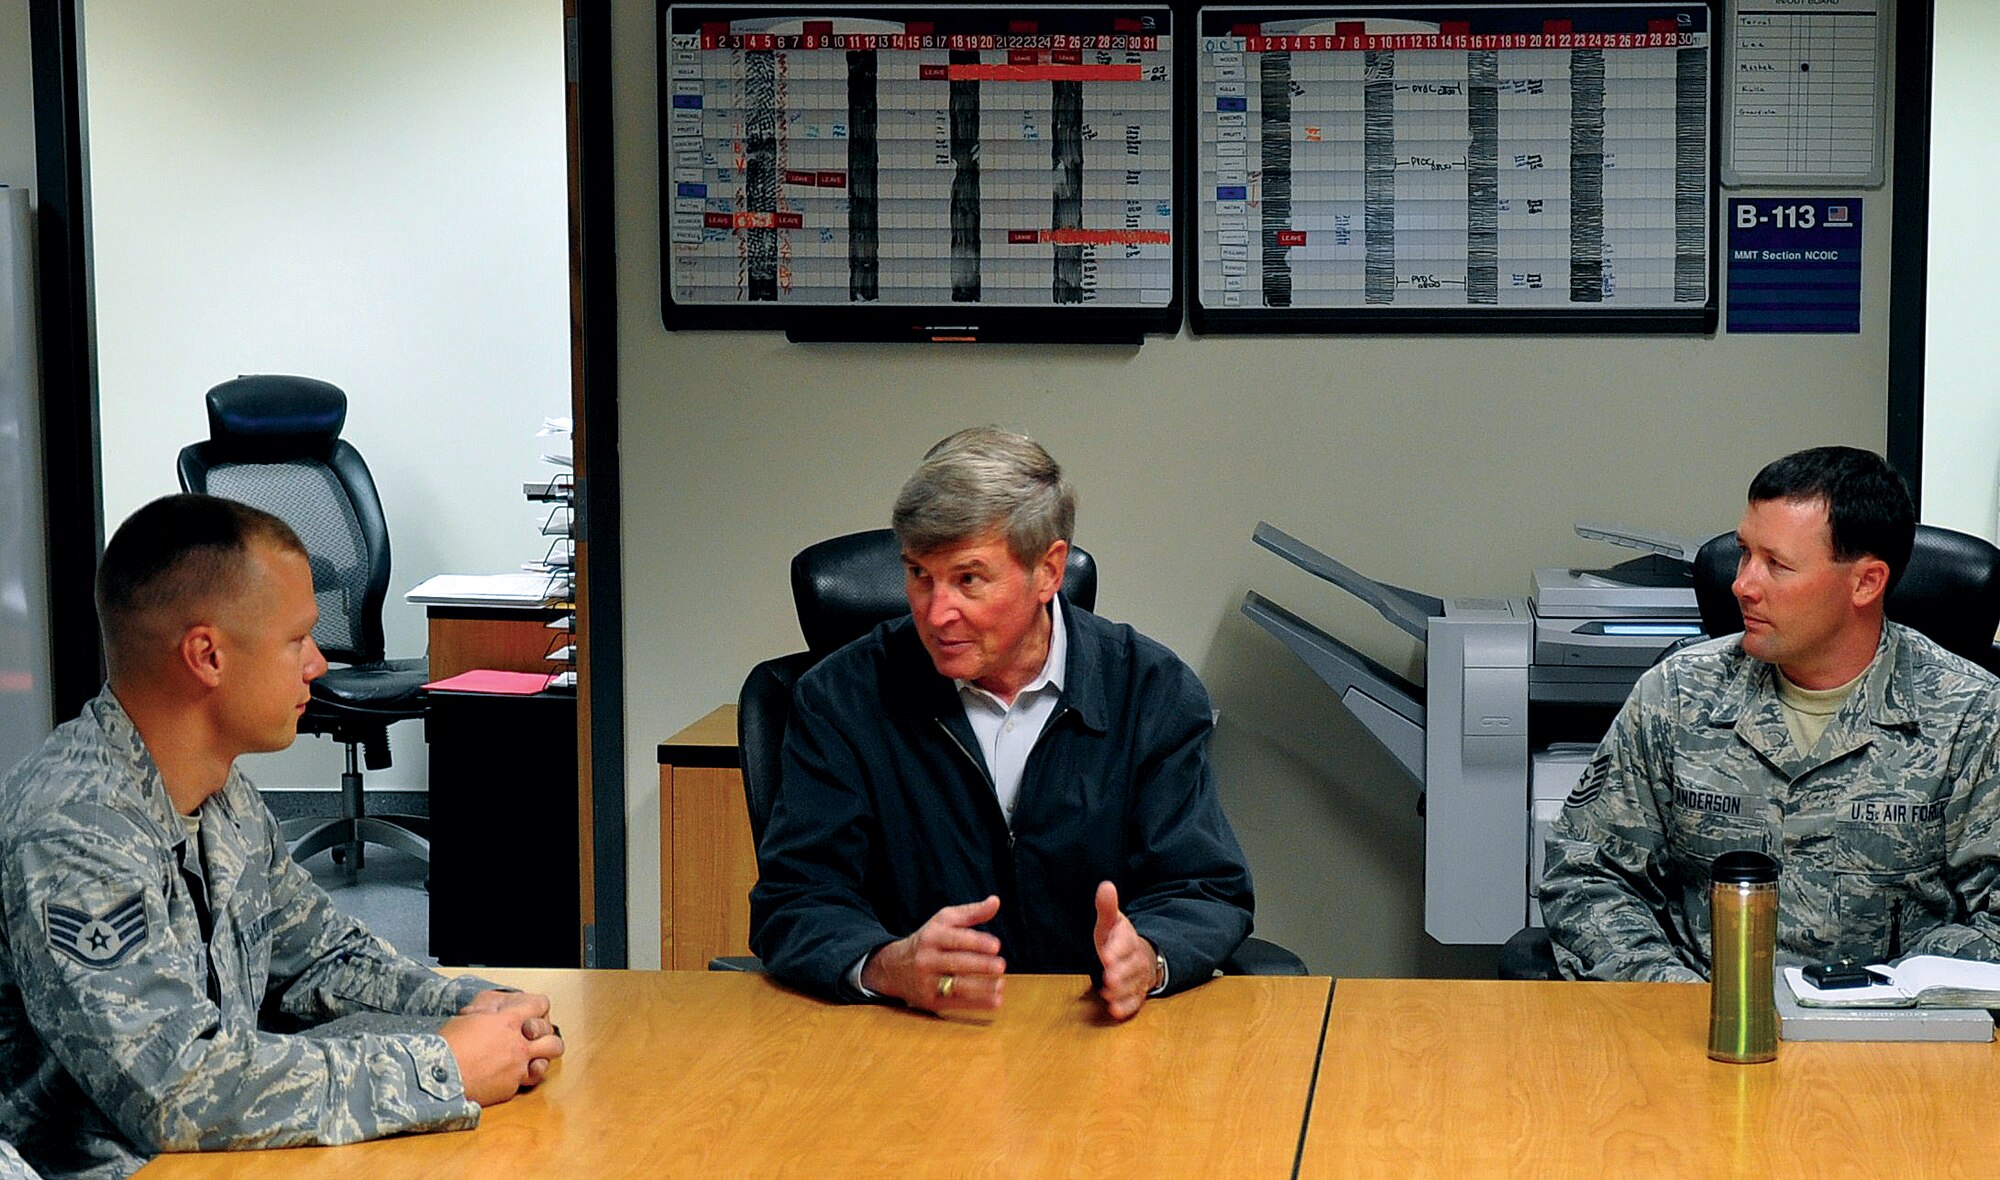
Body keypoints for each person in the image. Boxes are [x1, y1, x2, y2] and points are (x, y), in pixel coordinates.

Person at [0, 494, 564, 1180]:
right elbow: (176, 1092)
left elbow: (320, 961)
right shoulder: (75, 829)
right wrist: (441, 1066)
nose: (319, 664)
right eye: (297, 639)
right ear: (207, 656)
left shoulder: (222, 794)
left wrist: (476, 1009)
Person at [749, 427, 1254, 1020]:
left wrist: (1150, 955)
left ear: (1048, 571)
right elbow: (796, 898)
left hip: (1092, 1033)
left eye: (968, 579)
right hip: (909, 1041)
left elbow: (1205, 887)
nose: (936, 614)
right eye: (918, 575)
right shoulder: (841, 699)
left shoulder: (1150, 691)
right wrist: (888, 964)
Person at [1540, 446, 2000, 982]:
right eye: (1744, 554)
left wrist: (1886, 993)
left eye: (1776, 565)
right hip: (1693, 1025)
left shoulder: (1970, 714)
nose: (1742, 585)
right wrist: (1673, 994)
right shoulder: (1678, 694)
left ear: (1865, 582)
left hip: (1890, 1041)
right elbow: (1585, 874)